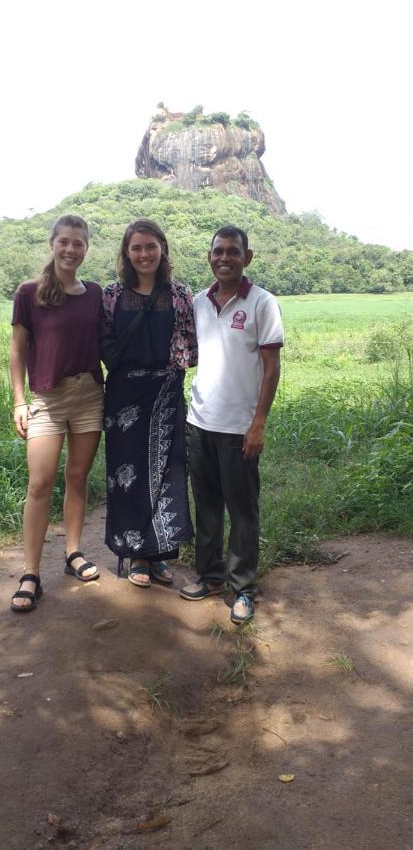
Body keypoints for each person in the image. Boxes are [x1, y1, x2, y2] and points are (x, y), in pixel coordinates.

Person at [181, 226, 284, 624]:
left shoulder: (262, 303)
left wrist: (258, 424)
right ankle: (209, 575)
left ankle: (242, 588)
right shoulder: (197, 303)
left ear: (247, 257)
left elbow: (272, 369)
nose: (225, 258)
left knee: (242, 511)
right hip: (199, 422)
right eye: (218, 251)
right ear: (209, 256)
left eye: (233, 252)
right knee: (206, 505)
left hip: (240, 427)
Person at [10, 214, 104, 612]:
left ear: (86, 249)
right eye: (64, 242)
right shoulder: (29, 292)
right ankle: (30, 572)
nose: (71, 249)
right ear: (53, 244)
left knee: (77, 476)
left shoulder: (96, 293)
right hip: (47, 398)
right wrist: (18, 401)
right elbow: (16, 352)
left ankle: (72, 552)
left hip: (89, 395)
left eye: (78, 243)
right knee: (39, 483)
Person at [101, 219, 197, 587]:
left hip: (166, 394)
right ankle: (136, 554)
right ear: (127, 253)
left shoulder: (180, 295)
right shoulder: (110, 295)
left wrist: (170, 374)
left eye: (150, 246)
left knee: (167, 472)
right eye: (136, 248)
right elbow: (102, 342)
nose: (144, 254)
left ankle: (160, 554)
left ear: (163, 249)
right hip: (124, 396)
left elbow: (190, 344)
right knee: (127, 478)